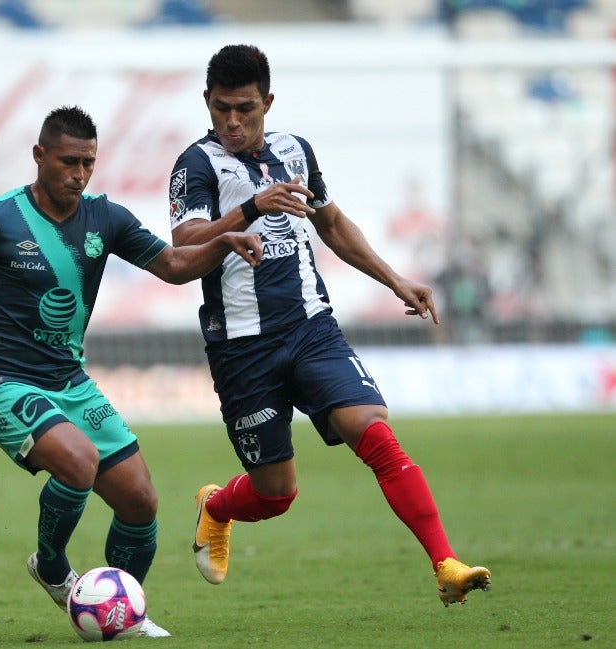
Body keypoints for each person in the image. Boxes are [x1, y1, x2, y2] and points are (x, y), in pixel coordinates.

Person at [0, 105, 263, 637]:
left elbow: (173, 267)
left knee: (141, 501)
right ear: (39, 156)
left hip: (69, 382)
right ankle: (53, 568)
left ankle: (116, 611)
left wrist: (220, 242)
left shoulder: (107, 217)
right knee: (77, 462)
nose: (79, 174)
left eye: (89, 163)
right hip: (1, 382)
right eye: (68, 161)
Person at [168, 44, 491, 607]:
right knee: (276, 494)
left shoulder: (296, 152)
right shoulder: (195, 165)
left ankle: (446, 563)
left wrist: (395, 280)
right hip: (242, 346)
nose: (233, 121)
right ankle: (217, 507)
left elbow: (332, 223)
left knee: (374, 432)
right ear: (207, 102)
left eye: (245, 108)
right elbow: (184, 246)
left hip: (311, 327)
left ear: (268, 101)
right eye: (221, 109)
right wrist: (248, 212)